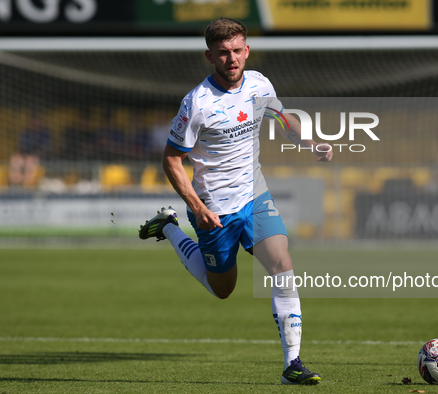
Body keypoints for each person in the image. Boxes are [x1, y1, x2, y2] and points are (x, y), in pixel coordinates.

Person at [138, 18, 332, 385]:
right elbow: (171, 159)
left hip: (255, 196)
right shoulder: (197, 103)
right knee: (222, 289)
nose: (232, 59)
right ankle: (168, 226)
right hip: (214, 209)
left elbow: (281, 116)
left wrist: (310, 143)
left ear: (247, 50)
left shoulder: (259, 83)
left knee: (283, 264)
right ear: (210, 56)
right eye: (223, 53)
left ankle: (293, 364)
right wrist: (197, 207)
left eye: (238, 50)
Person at [9, 111, 51, 188]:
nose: (35, 123)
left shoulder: (45, 133)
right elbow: (22, 147)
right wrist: (25, 155)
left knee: (30, 161)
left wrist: (33, 155)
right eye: (33, 121)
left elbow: (45, 149)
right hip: (26, 155)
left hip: (40, 157)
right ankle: (15, 184)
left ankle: (27, 186)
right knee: (16, 159)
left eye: (37, 120)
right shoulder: (26, 133)